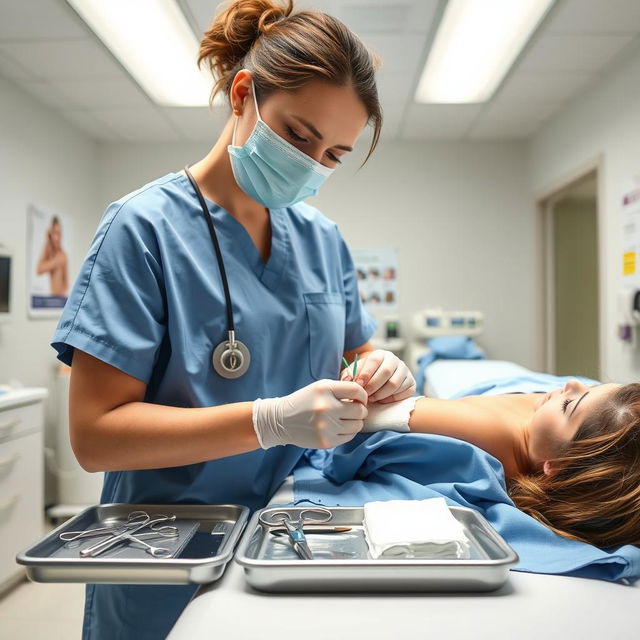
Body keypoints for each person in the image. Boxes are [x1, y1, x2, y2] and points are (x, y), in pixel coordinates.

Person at [51, 1, 415, 637]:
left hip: (290, 534)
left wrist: (376, 369)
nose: (311, 163)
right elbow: (94, 435)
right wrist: (268, 421)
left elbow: (349, 355)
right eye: (299, 136)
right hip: (165, 547)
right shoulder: (143, 231)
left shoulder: (323, 239)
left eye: (333, 154)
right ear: (244, 94)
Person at [363, 378, 640, 548]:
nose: (571, 385)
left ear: (552, 467)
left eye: (569, 405)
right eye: (594, 387)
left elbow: (363, 413)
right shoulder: (587, 422)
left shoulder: (488, 431)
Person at [36, 216, 68, 296]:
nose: (57, 238)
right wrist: (55, 262)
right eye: (55, 233)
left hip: (58, 301)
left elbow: (66, 283)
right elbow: (39, 269)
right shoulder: (48, 250)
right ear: (51, 234)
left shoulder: (63, 255)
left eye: (59, 234)